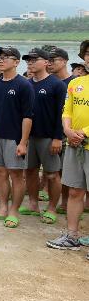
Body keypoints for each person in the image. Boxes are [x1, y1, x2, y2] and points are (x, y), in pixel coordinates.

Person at [0, 46, 33, 229]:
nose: (0, 60)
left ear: (16, 62)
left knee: (16, 174)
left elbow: (28, 116)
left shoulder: (24, 85)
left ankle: (14, 211)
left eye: (6, 58)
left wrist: (23, 142)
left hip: (14, 138)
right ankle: (2, 208)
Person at [47, 44, 89, 254]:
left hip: (84, 141)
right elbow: (67, 109)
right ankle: (72, 235)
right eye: (88, 54)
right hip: (74, 145)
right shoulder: (77, 82)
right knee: (74, 191)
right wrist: (67, 130)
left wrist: (83, 133)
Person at [20, 48, 65, 224]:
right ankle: (33, 204)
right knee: (30, 171)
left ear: (46, 62)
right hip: (28, 137)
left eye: (34, 59)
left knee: (52, 174)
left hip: (48, 136)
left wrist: (57, 137)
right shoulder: (26, 84)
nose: (30, 62)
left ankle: (52, 207)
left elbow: (61, 113)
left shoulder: (57, 85)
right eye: (28, 60)